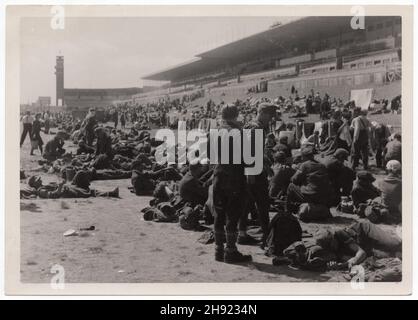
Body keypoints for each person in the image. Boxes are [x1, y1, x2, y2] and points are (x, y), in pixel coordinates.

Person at [211, 104, 252, 263]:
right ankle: (231, 251)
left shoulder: (215, 132)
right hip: (234, 177)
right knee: (233, 214)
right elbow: (248, 157)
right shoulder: (241, 133)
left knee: (219, 213)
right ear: (236, 115)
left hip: (219, 174)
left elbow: (210, 155)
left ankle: (218, 250)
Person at [244, 103, 277, 247]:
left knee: (248, 203)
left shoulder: (248, 125)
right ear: (262, 113)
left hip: (250, 168)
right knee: (263, 202)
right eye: (269, 116)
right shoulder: (257, 128)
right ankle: (266, 235)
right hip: (254, 171)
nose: (270, 120)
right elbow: (251, 151)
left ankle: (242, 233)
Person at [315, 221, 401, 269]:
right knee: (390, 255)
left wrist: (352, 261)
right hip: (363, 246)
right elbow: (350, 260)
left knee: (395, 244)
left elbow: (361, 253)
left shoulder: (339, 233)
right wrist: (338, 266)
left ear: (333, 238)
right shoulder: (330, 250)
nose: (333, 246)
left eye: (332, 242)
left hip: (365, 231)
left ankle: (400, 232)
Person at [286, 145, 336, 214]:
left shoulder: (304, 165)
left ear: (304, 157)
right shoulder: (322, 165)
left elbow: (294, 179)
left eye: (302, 157)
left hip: (312, 197)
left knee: (291, 186)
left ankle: (288, 211)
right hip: (324, 197)